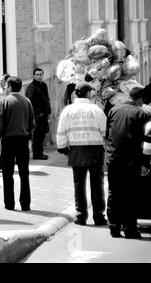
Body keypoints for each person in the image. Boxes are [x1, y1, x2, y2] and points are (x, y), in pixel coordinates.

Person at [56, 82, 108, 226]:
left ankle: (81, 216)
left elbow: (61, 132)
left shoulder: (68, 110)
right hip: (95, 151)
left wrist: (64, 149)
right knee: (97, 184)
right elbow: (105, 131)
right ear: (88, 93)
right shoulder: (96, 110)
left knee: (79, 185)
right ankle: (98, 216)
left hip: (76, 151)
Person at [105, 87, 150, 239]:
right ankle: (130, 228)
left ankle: (114, 227)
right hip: (132, 161)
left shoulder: (113, 110)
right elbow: (146, 142)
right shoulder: (142, 114)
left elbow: (108, 134)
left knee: (114, 193)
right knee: (130, 195)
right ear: (140, 100)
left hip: (113, 159)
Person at [0, 76, 35, 211]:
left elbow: (0, 125)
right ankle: (25, 204)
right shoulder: (27, 101)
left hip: (8, 141)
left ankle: (9, 204)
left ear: (10, 87)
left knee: (7, 174)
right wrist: (28, 135)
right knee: (24, 173)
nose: (5, 89)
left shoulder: (4, 102)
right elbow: (32, 123)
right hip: (23, 140)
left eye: (6, 87)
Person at [25, 68, 51, 160]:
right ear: (34, 76)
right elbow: (30, 102)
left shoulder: (44, 85)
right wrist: (38, 112)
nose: (39, 76)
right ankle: (37, 154)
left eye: (40, 74)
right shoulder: (31, 88)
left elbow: (47, 99)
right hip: (37, 116)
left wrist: (48, 111)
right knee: (37, 135)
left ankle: (40, 152)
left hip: (44, 114)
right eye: (37, 74)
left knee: (43, 134)